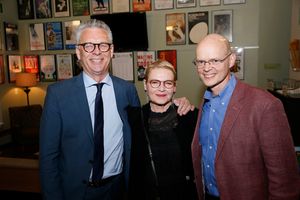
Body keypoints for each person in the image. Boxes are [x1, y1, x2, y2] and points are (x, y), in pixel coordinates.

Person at [39, 19, 193, 200]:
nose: (97, 52)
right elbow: (48, 157)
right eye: (88, 46)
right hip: (74, 192)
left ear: (111, 51)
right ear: (78, 53)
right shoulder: (58, 95)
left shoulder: (126, 91)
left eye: (103, 45)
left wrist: (179, 103)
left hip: (118, 190)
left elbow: (143, 130)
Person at [191, 33, 300, 200]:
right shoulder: (206, 103)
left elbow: (284, 181)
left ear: (231, 60)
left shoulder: (265, 105)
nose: (206, 68)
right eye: (201, 62)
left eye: (215, 60)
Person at [128, 60, 198, 200]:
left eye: (168, 83)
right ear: (145, 85)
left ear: (174, 87)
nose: (161, 89)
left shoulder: (191, 117)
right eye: (155, 82)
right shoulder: (132, 119)